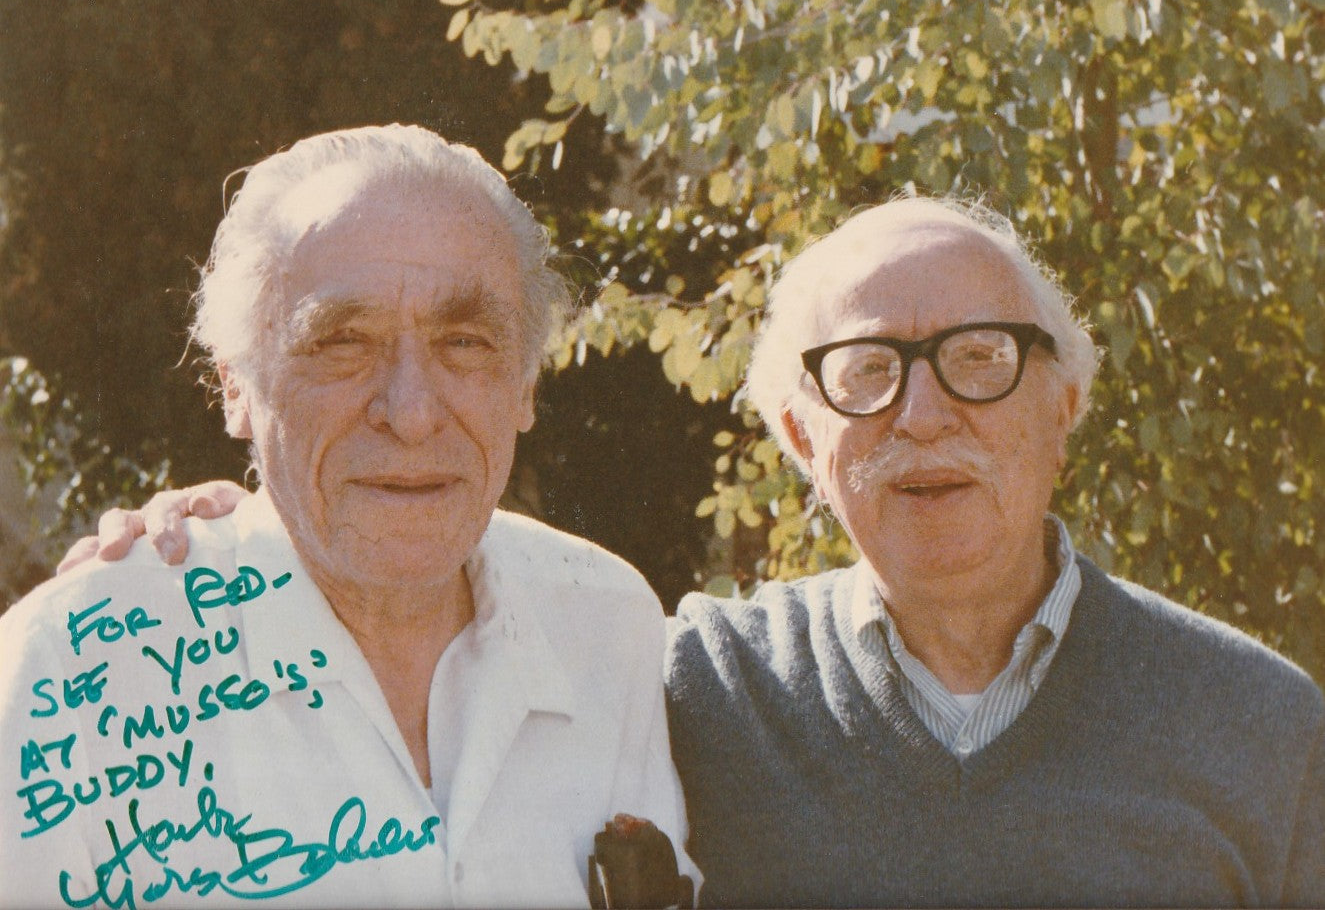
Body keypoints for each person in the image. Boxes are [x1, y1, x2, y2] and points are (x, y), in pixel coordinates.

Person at [56, 197, 1325, 906]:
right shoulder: (693, 678)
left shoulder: (1260, 725)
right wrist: (238, 525)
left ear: (1064, 403)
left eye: (980, 360)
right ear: (797, 436)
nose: (923, 414)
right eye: (865, 372)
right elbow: (416, 552)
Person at [0, 125, 695, 908]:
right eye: (341, 343)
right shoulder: (75, 667)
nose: (410, 412)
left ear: (525, 384)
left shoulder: (608, 623)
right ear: (234, 385)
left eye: (464, 342)